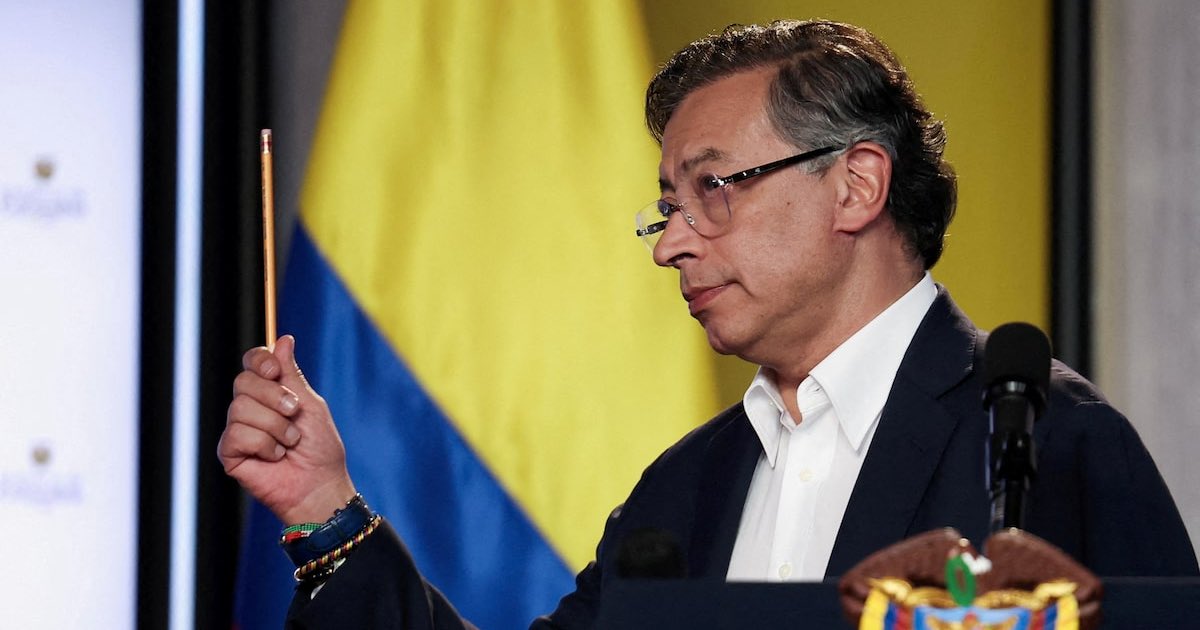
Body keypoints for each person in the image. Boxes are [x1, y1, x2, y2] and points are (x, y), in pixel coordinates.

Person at [219, 19, 1197, 629]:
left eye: (714, 189)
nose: (669, 245)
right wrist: (326, 513)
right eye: (666, 205)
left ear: (856, 184)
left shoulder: (1042, 442)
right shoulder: (683, 490)